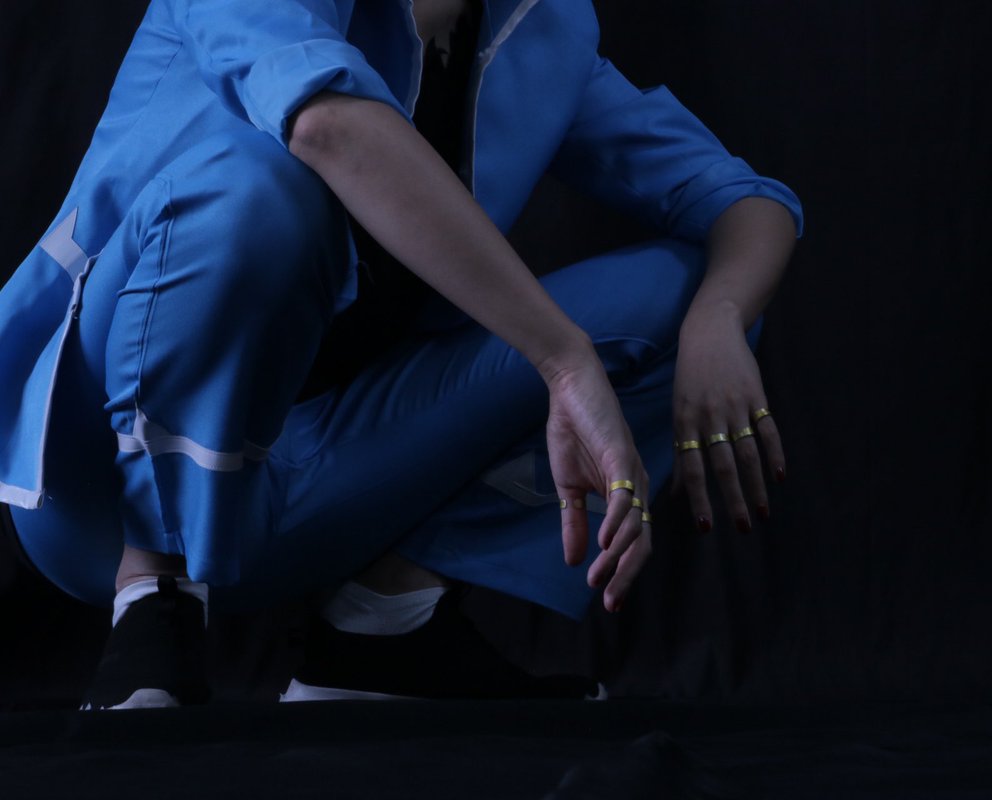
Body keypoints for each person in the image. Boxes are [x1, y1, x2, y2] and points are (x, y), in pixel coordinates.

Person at [0, 0, 802, 708]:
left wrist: (721, 316)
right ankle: (154, 591)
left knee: (687, 296)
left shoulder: (540, 31)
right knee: (264, 186)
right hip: (96, 484)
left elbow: (741, 198)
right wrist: (564, 360)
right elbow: (324, 122)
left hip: (306, 496)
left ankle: (384, 627)